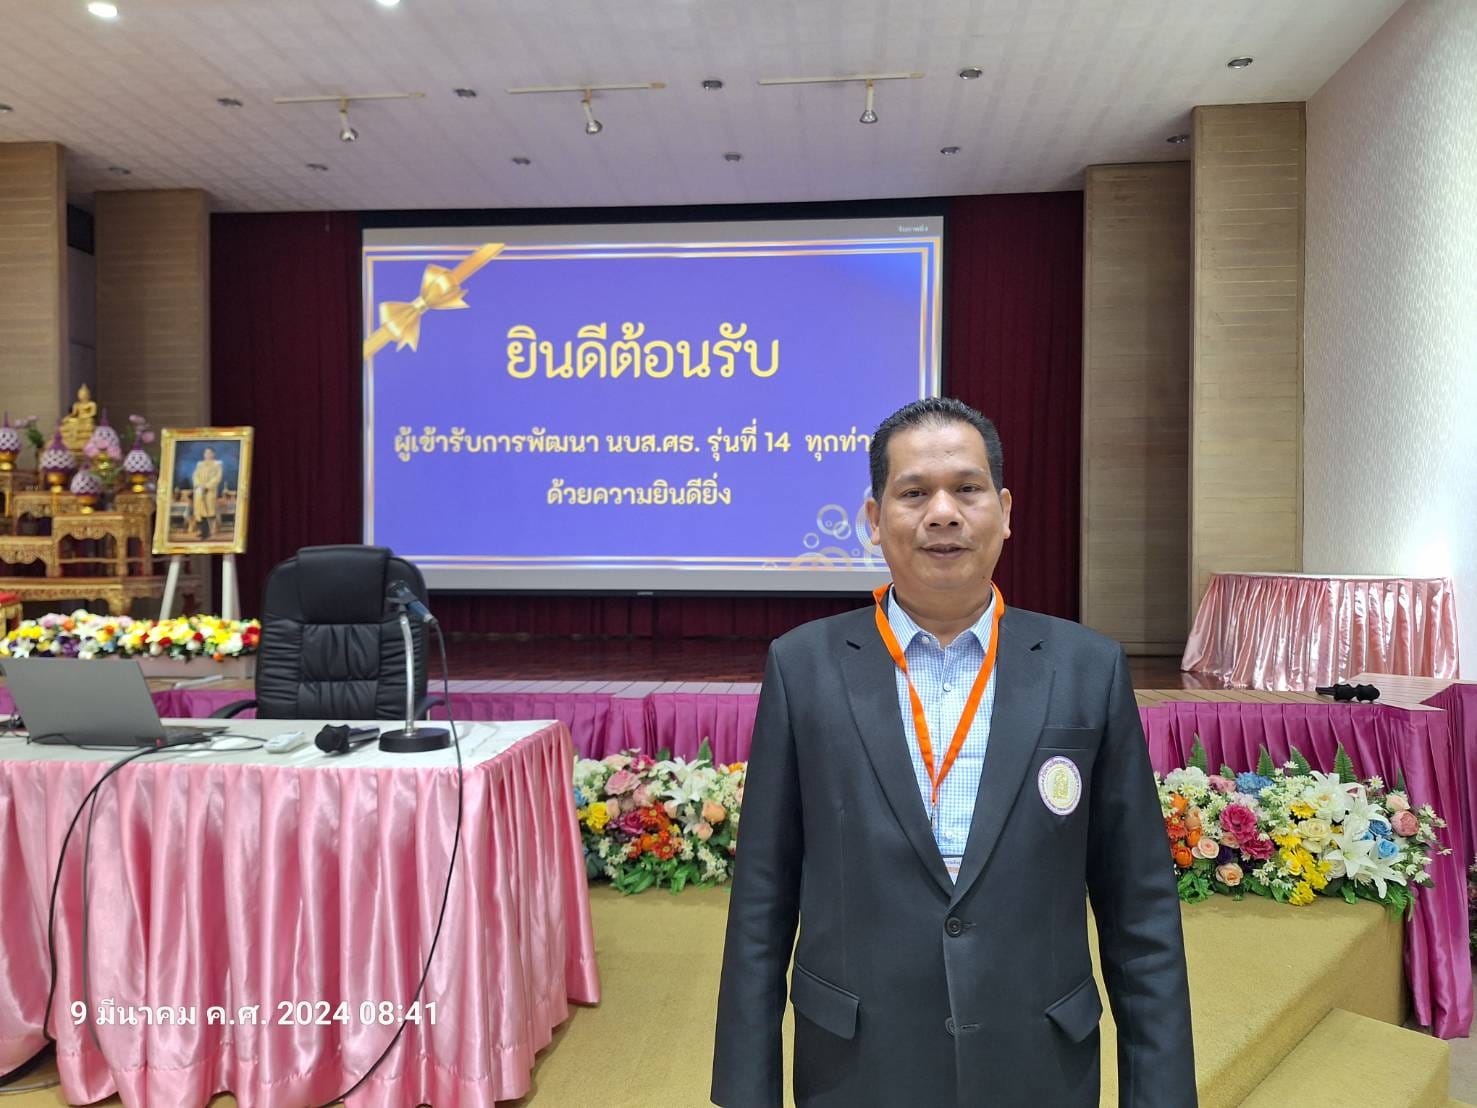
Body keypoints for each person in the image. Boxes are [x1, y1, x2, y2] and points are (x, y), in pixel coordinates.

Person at [712, 397, 1195, 1107]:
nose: (942, 513)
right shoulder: (804, 666)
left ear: (1004, 510)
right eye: (914, 493)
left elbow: (1139, 905)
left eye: (967, 489)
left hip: (1037, 1059)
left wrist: (1160, 1094)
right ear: (874, 518)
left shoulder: (1085, 668)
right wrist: (746, 1090)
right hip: (857, 1065)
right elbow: (763, 896)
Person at [191, 447, 224, 541]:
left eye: (209, 453)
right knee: (200, 512)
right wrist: (199, 484)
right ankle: (202, 531)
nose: (207, 455)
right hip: (199, 491)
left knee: (209, 511)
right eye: (206, 453)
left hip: (210, 491)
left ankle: (209, 532)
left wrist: (206, 486)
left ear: (213, 454)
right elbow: (195, 476)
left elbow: (217, 478)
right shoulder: (200, 465)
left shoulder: (217, 465)